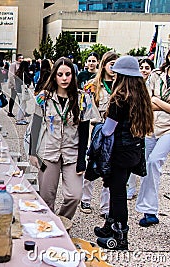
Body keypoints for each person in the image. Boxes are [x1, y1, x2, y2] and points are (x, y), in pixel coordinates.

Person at [94, 56, 153, 250]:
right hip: (133, 152)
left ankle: (120, 236)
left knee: (117, 193)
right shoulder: (141, 96)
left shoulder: (120, 98)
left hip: (118, 152)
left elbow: (108, 130)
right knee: (116, 189)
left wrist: (100, 124)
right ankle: (109, 227)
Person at [33, 57, 98, 220]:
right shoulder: (43, 98)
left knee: (74, 196)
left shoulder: (83, 98)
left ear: (73, 75)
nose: (64, 78)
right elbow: (35, 125)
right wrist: (32, 152)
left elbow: (84, 131)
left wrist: (82, 158)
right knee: (46, 196)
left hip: (72, 153)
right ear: (54, 76)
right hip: (48, 152)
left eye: (67, 74)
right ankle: (47, 226)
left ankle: (61, 221)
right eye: (60, 74)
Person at [80, 51, 118, 217]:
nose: (113, 68)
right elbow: (86, 110)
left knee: (110, 168)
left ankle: (105, 207)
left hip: (114, 131)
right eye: (111, 64)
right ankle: (85, 199)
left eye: (116, 64)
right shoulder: (92, 85)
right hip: (96, 130)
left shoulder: (121, 85)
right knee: (91, 165)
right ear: (104, 64)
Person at [135, 50, 170, 227]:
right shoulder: (157, 75)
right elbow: (147, 102)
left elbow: (154, 100)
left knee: (155, 161)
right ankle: (149, 211)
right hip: (151, 126)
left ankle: (149, 207)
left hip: (168, 129)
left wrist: (158, 100)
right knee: (147, 166)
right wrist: (161, 104)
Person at [127, 57, 155, 200]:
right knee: (134, 159)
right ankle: (131, 188)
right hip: (135, 128)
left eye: (147, 68)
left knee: (148, 161)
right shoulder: (133, 84)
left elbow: (152, 104)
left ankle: (144, 193)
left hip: (150, 128)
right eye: (142, 67)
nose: (144, 70)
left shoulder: (154, 85)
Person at [14, 60, 32, 125]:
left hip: (19, 90)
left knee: (23, 105)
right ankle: (19, 119)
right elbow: (29, 80)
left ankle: (22, 118)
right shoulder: (24, 73)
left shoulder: (18, 72)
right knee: (22, 105)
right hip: (22, 90)